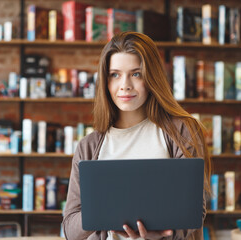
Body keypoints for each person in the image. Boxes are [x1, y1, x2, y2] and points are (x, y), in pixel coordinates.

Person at [62, 31, 211, 240]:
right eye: (115, 74)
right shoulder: (88, 146)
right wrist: (104, 206)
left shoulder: (182, 131)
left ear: (151, 78)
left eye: (136, 74)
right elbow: (70, 229)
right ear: (105, 81)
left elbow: (193, 211)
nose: (125, 85)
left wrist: (161, 235)